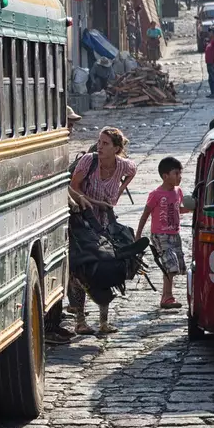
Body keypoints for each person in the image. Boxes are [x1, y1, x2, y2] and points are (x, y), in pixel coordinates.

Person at [69, 127, 137, 336]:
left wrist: (116, 194)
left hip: (105, 223)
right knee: (82, 268)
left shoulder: (123, 166)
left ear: (116, 148)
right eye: (99, 142)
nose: (100, 146)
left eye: (106, 143)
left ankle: (103, 322)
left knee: (106, 267)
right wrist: (95, 202)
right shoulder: (89, 161)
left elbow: (132, 171)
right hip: (82, 221)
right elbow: (73, 186)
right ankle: (80, 320)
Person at [137, 157, 190, 310]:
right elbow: (146, 214)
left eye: (180, 173)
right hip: (160, 235)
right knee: (170, 264)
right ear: (165, 176)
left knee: (176, 265)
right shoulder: (156, 194)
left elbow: (177, 209)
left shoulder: (178, 192)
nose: (179, 176)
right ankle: (167, 296)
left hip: (175, 234)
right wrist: (138, 234)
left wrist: (191, 209)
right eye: (176, 173)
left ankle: (166, 296)